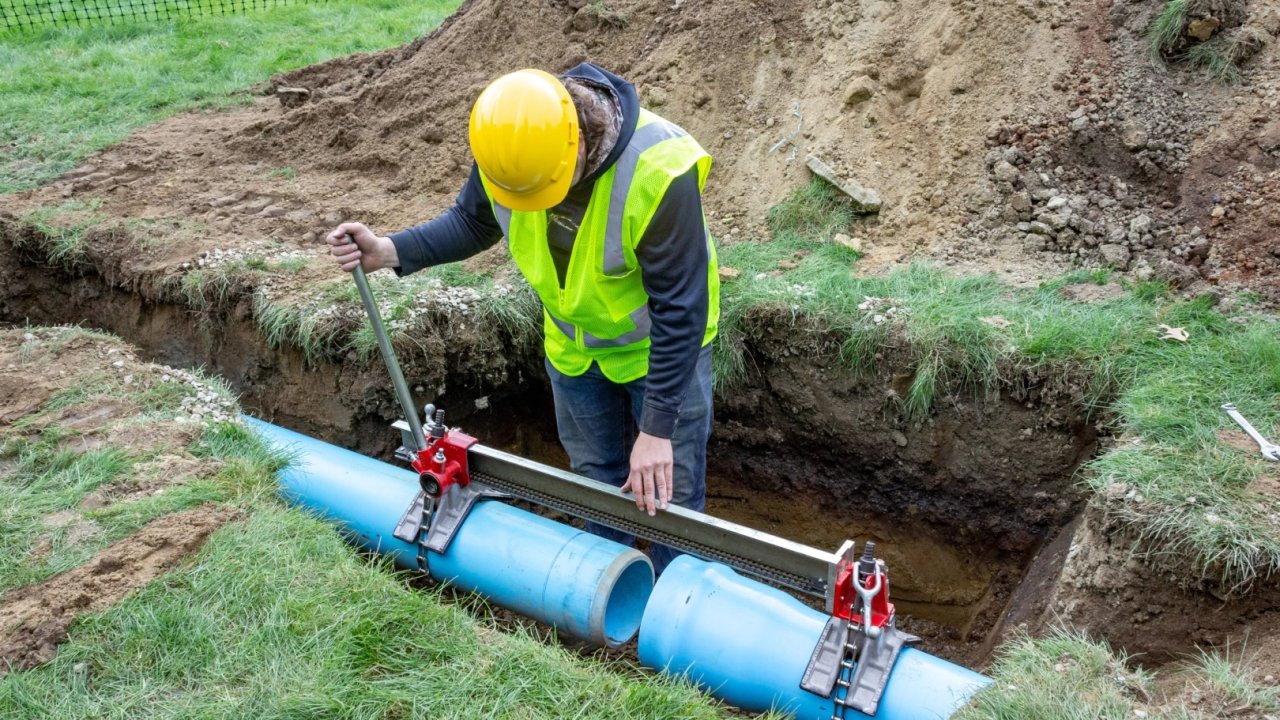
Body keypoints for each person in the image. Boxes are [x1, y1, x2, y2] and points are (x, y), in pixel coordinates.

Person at [326, 63, 719, 575]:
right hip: (575, 350)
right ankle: (603, 600)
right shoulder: (511, 143)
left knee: (670, 496)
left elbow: (680, 307)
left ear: (576, 145)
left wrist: (658, 428)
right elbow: (472, 220)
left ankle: (680, 624)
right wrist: (388, 250)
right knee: (596, 482)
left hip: (662, 353)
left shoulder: (659, 168)